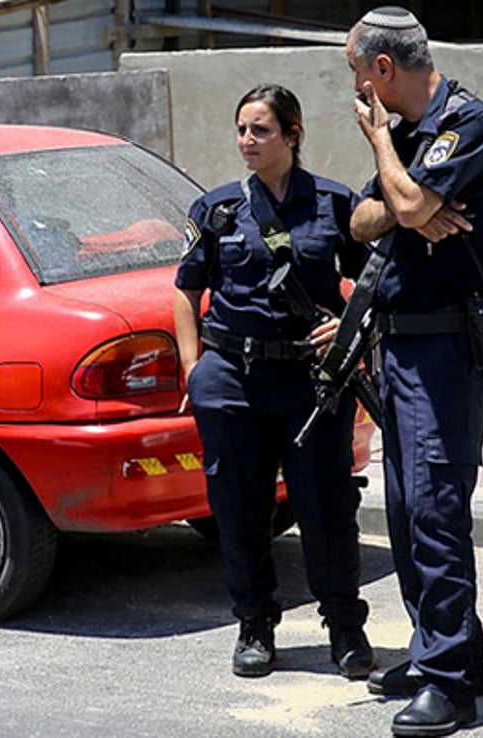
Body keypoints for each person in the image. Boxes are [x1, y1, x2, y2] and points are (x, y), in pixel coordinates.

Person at [345, 7, 483, 736]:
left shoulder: (470, 124)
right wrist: (404, 207)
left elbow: (411, 199)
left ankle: (450, 684)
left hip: (448, 350)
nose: (354, 89)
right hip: (402, 347)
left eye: (357, 73)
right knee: (411, 514)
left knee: (437, 511)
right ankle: (442, 651)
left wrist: (390, 161)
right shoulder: (417, 139)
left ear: (383, 71)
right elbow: (361, 220)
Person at [174, 84, 374, 681]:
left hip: (310, 384)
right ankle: (254, 624)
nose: (247, 142)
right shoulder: (218, 210)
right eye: (241, 130)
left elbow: (372, 289)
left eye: (260, 130)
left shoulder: (336, 205)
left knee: (326, 508)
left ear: (292, 135)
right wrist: (194, 370)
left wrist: (344, 328)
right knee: (239, 509)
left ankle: (345, 627)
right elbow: (186, 291)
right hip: (232, 378)